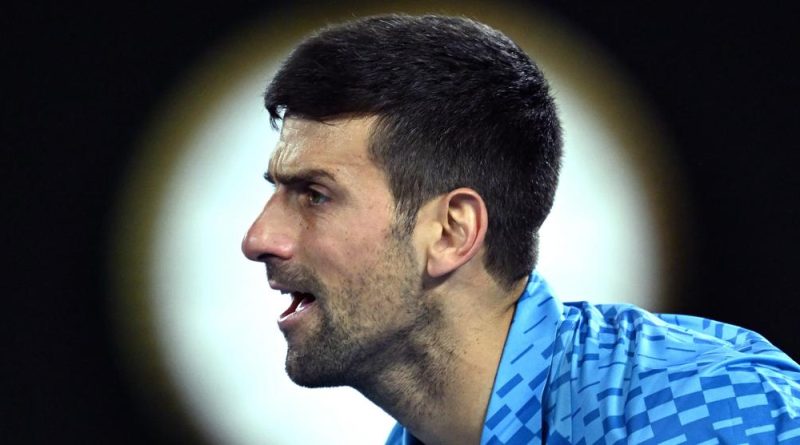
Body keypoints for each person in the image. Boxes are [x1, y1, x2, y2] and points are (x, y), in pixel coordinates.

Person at [241, 14, 800, 445]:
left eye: (314, 195)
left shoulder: (712, 410)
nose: (258, 239)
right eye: (277, 191)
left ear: (452, 232)